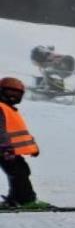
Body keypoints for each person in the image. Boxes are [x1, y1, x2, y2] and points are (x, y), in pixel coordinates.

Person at [0, 78, 41, 208]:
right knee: (18, 172)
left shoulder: (9, 109)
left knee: (21, 171)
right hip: (5, 150)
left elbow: (18, 131)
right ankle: (24, 200)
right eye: (10, 93)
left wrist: (32, 148)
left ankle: (15, 198)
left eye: (17, 94)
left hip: (10, 150)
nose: (14, 96)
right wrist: (5, 148)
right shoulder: (1, 108)